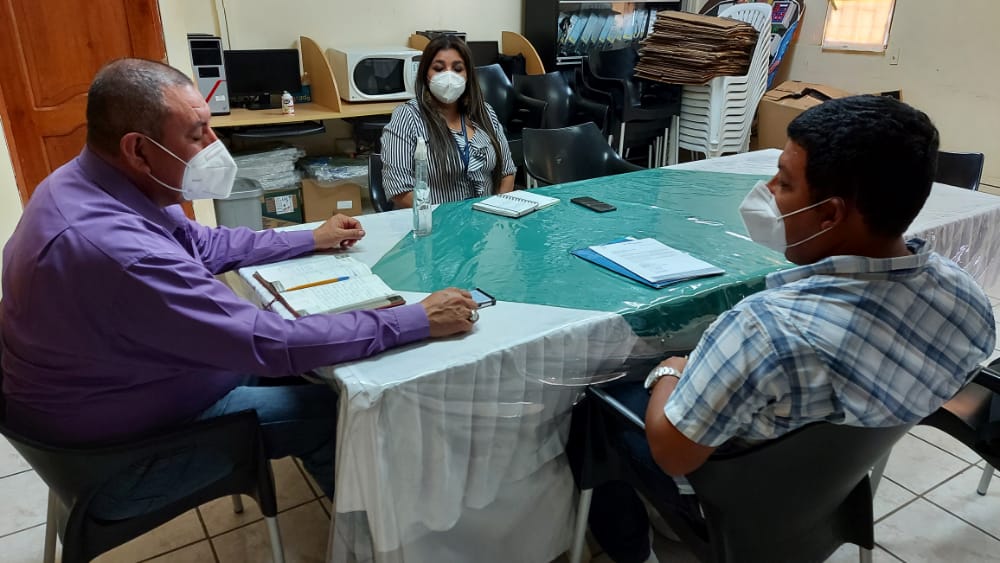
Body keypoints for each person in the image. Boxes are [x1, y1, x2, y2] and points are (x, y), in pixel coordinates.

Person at [0, 58, 481, 499]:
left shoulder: (91, 184)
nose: (215, 146)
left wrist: (310, 237)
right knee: (337, 410)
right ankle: (371, 539)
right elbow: (271, 343)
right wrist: (416, 319)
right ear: (139, 150)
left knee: (316, 366)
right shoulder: (119, 251)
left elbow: (204, 246)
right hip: (116, 457)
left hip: (119, 387)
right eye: (198, 135)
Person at [587, 95, 997, 563]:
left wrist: (671, 369)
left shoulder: (764, 330)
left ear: (831, 214)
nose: (767, 191)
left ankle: (633, 550)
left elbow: (673, 454)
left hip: (737, 497)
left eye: (783, 182)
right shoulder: (964, 297)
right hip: (831, 482)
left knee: (594, 408)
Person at [381, 35, 516, 207]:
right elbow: (399, 188)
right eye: (438, 68)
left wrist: (497, 210)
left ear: (468, 75)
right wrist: (445, 217)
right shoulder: (407, 117)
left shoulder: (484, 112)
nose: (449, 76)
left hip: (485, 218)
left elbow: (507, 172)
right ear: (425, 74)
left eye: (458, 69)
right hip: (435, 220)